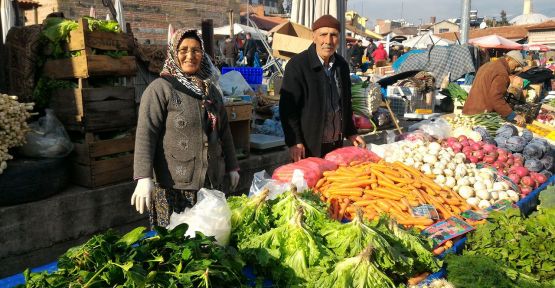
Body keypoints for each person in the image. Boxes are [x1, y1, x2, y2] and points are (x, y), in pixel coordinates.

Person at [131, 28, 241, 227]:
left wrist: (232, 167)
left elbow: (225, 132)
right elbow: (146, 133)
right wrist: (143, 176)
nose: (190, 56)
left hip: (210, 184)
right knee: (176, 248)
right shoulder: (160, 89)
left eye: (196, 50)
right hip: (175, 188)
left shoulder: (211, 91)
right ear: (174, 52)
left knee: (209, 243)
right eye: (183, 50)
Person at [279, 15, 366, 162]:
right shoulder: (298, 65)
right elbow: (288, 109)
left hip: (335, 145)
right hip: (307, 147)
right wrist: (294, 141)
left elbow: (345, 104)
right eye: (323, 35)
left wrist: (351, 132)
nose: (328, 41)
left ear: (339, 39)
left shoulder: (342, 65)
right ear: (314, 37)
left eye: (333, 35)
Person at [462, 50, 527, 126]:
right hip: (481, 115)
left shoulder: (487, 65)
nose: (515, 69)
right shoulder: (502, 73)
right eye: (516, 66)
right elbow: (496, 97)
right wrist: (512, 115)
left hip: (470, 109)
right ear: (508, 59)